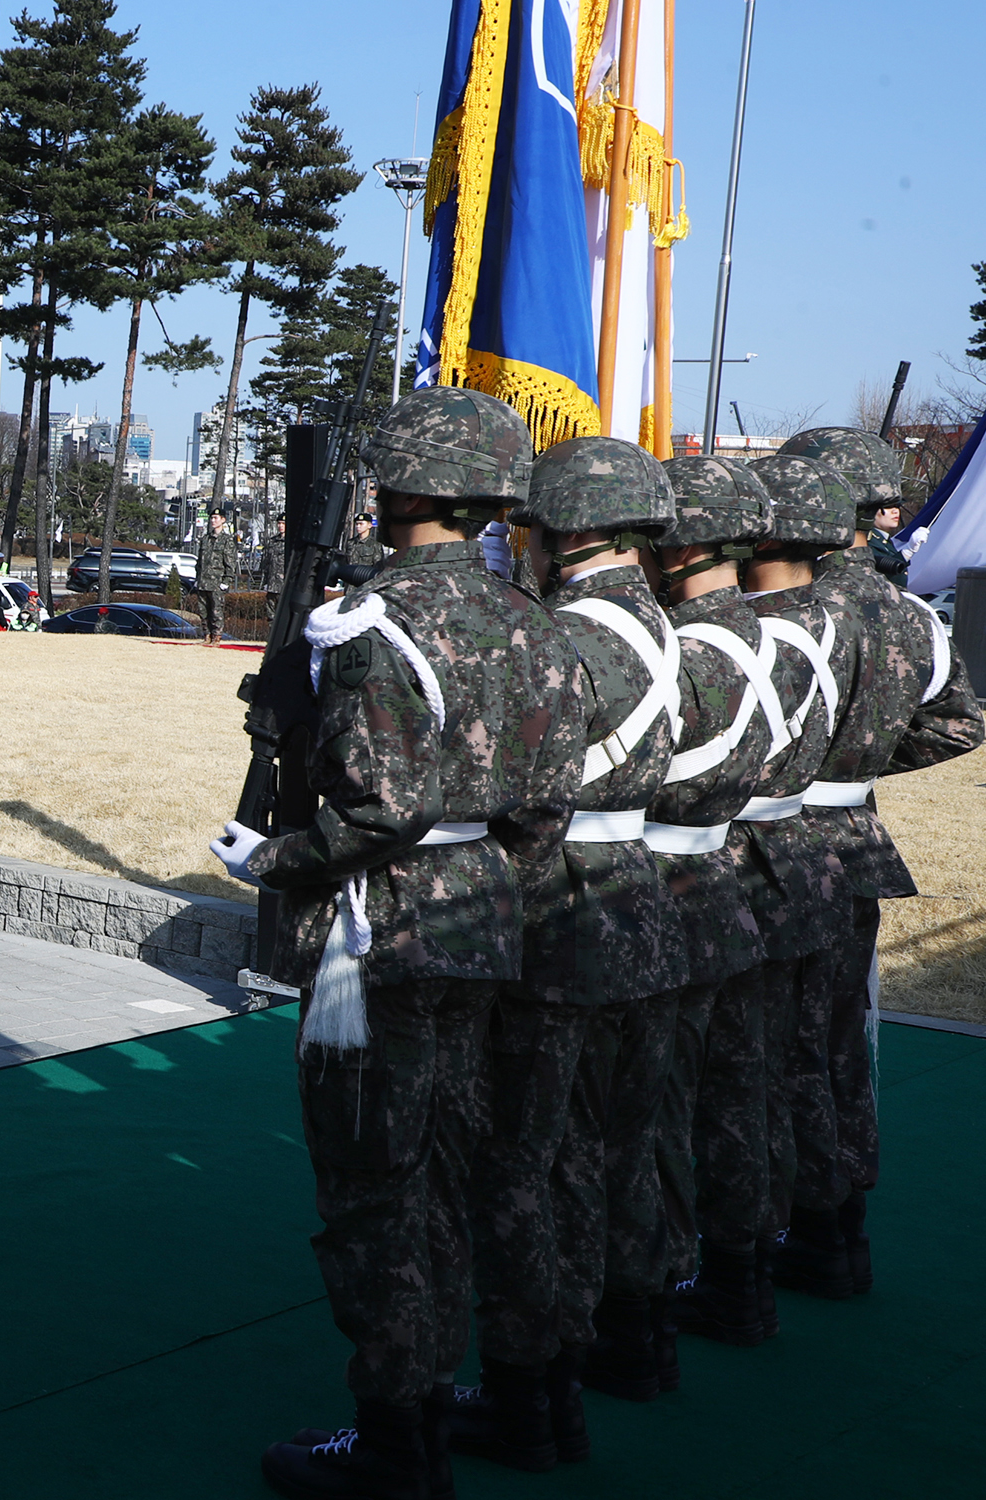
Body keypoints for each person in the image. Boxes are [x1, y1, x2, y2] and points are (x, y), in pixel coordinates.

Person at [212, 387, 582, 1500]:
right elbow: (547, 803)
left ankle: (394, 1441)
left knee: (376, 1189)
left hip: (377, 938)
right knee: (453, 1170)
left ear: (402, 490)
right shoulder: (533, 620)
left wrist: (265, 860)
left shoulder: (374, 624)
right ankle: (445, 1401)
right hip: (484, 919)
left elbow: (382, 808)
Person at [452, 439, 684, 1473]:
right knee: (604, 1149)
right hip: (639, 901)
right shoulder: (662, 625)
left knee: (521, 1164)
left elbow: (508, 782)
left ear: (563, 529)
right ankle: (613, 1346)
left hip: (559, 913)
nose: (516, 541)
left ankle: (524, 1392)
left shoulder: (565, 635)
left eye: (524, 525)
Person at [772, 427, 983, 1297]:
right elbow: (962, 723)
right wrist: (861, 766)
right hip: (851, 838)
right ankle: (839, 1226)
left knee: (771, 1049)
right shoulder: (903, 615)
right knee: (838, 1043)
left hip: (777, 844)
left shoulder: (788, 613)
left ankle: (778, 1230)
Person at [591, 456, 785, 1403]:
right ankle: (723, 1291)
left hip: (657, 884)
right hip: (720, 882)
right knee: (720, 1105)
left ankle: (637, 1321)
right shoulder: (757, 636)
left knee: (643, 1124)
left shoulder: (695, 650)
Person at [669, 456, 851, 1352]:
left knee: (731, 1086)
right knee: (789, 1068)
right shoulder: (809, 626)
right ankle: (803, 1240)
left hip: (732, 866)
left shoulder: (735, 638)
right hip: (800, 856)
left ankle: (731, 1274)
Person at [191, 511, 234, 644]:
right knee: (203, 612)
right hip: (204, 582)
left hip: (216, 582)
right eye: (212, 518)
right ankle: (207, 636)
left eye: (216, 518)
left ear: (223, 520)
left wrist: (226, 581)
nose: (213, 521)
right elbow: (199, 562)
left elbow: (230, 564)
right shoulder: (205, 539)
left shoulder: (227, 540)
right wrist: (198, 578)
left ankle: (217, 637)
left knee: (216, 611)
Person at [261, 516, 288, 618]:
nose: (280, 526)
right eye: (279, 523)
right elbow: (266, 563)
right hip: (272, 584)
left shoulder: (290, 542)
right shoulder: (273, 542)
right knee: (270, 615)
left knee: (283, 615)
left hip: (284, 585)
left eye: (283, 524)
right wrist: (265, 582)